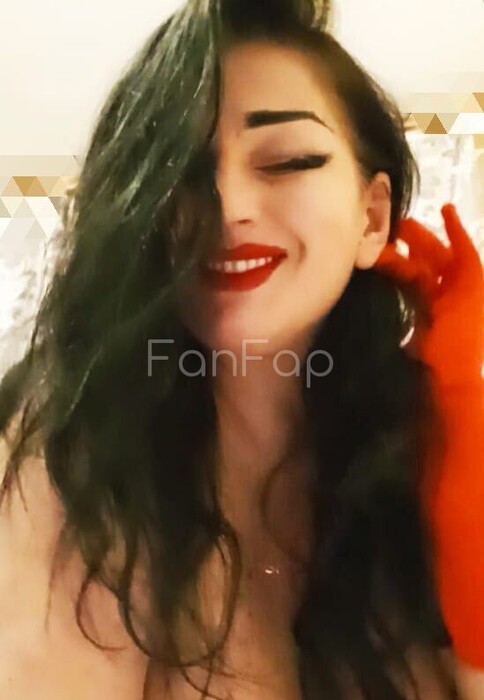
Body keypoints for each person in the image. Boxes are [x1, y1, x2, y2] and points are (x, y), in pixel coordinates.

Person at [0, 0, 482, 698]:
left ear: (372, 219)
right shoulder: (59, 452)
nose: (228, 206)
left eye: (287, 161)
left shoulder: (428, 452)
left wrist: (464, 411)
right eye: (179, 171)